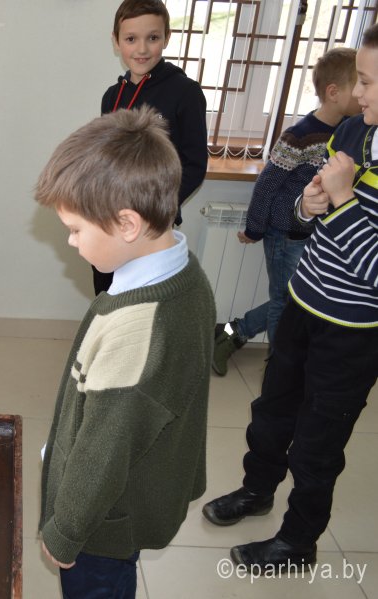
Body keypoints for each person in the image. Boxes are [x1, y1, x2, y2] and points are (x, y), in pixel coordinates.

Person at [202, 28, 378, 569]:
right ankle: (257, 490)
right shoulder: (353, 130)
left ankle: (298, 541)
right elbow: (310, 219)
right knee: (272, 410)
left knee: (318, 442)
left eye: (369, 82)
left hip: (353, 334)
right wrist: (308, 204)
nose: (359, 93)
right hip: (305, 301)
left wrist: (341, 202)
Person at [35, 107, 216, 598]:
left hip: (101, 526)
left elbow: (104, 451)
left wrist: (65, 531)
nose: (70, 241)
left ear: (127, 224)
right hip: (131, 492)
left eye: (76, 229)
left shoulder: (138, 334)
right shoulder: (184, 273)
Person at [212, 47, 360, 376]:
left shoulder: (350, 130)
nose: (363, 93)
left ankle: (231, 332)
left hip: (316, 235)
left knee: (297, 298)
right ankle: (277, 369)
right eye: (359, 84)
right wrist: (255, 228)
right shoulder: (299, 136)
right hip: (286, 235)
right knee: (284, 300)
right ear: (334, 92)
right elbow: (266, 185)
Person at [94, 0, 208, 295]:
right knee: (107, 297)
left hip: (153, 223)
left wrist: (155, 209)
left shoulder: (186, 92)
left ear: (167, 38)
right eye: (131, 39)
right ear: (116, 41)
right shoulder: (111, 96)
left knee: (142, 303)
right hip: (111, 219)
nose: (142, 49)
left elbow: (194, 164)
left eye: (153, 37)